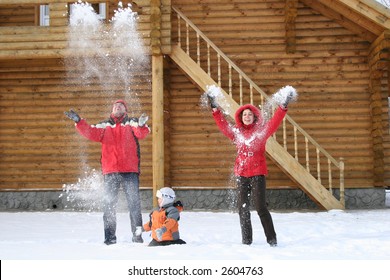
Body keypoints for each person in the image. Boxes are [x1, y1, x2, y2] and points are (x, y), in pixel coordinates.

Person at [207, 89, 293, 246]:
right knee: (243, 208)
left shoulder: (261, 131)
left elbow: (275, 121)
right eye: (244, 114)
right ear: (241, 117)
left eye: (250, 114)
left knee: (261, 207)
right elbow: (223, 125)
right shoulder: (236, 133)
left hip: (257, 174)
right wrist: (214, 108)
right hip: (241, 174)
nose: (247, 117)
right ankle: (246, 241)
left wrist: (283, 106)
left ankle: (272, 240)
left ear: (254, 117)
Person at [64, 100, 150, 245]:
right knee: (109, 207)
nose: (118, 106)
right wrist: (79, 122)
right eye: (115, 105)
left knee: (134, 206)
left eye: (121, 105)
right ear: (112, 109)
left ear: (125, 109)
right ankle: (109, 239)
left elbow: (142, 133)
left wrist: (141, 125)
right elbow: (90, 132)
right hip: (110, 172)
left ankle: (137, 237)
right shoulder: (104, 125)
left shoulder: (132, 122)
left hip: (130, 171)